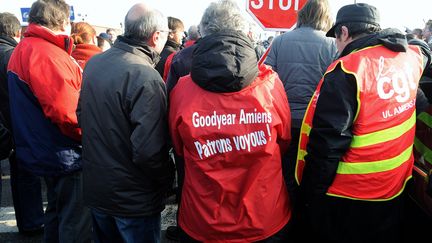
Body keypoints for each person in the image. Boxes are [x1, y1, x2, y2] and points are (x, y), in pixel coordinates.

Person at [295, 3, 431, 243]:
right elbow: (423, 49)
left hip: (351, 197)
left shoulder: (347, 68)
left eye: (336, 39)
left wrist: (309, 197)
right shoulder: (409, 57)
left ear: (344, 33)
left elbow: (326, 146)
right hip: (395, 187)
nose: (337, 46)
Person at [169, 0, 293, 242]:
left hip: (203, 220)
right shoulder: (270, 84)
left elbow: (179, 148)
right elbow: (284, 140)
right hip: (263, 216)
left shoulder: (183, 89)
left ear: (203, 33)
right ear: (245, 32)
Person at [77, 3, 175, 243]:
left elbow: (81, 115)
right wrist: (168, 180)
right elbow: (148, 152)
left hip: (99, 188)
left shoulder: (96, 63)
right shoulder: (145, 76)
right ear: (156, 36)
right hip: (133, 200)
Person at [7, 1, 92, 242]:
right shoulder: (47, 54)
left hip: (44, 149)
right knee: (75, 222)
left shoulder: (25, 48)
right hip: (65, 153)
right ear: (64, 22)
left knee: (55, 213)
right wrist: (89, 137)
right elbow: (67, 114)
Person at [265, 0, 337, 207]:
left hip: (284, 120)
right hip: (315, 123)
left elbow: (267, 78)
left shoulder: (280, 41)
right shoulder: (332, 44)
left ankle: (285, 213)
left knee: (285, 171)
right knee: (311, 172)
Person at [0, 11, 45, 236]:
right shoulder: (13, 55)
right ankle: (32, 221)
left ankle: (28, 220)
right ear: (16, 32)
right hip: (17, 126)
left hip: (3, 127)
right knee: (26, 177)